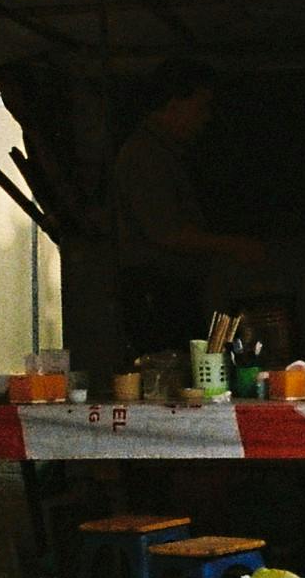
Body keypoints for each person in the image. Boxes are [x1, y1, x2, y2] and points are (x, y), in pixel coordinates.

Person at [110, 61, 269, 360]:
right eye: (200, 107)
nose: (205, 118)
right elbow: (166, 233)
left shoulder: (164, 152)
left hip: (172, 291)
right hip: (156, 296)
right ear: (174, 104)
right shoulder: (145, 156)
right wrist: (234, 246)